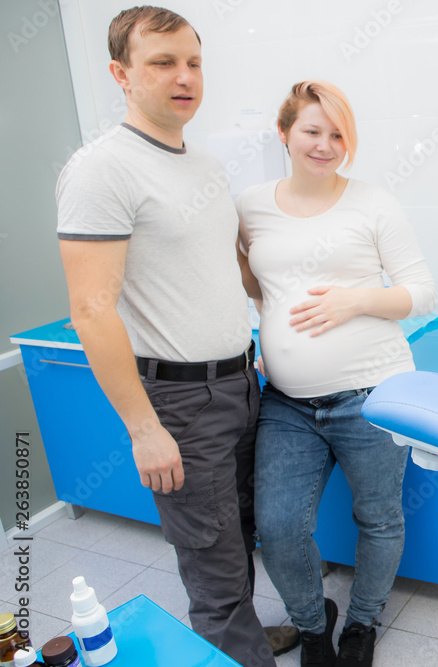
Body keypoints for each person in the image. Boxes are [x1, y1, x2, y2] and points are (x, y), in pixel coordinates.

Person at [55, 7, 276, 667]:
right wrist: (143, 427)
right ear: (122, 75)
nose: (184, 77)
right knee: (211, 561)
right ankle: (238, 651)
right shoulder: (102, 170)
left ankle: (241, 644)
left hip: (242, 382)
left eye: (193, 62)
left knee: (239, 537)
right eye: (162, 63)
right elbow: (92, 310)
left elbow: (214, 270)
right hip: (180, 403)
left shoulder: (205, 164)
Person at [237, 80, 435, 667]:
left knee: (378, 517)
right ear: (284, 132)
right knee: (275, 525)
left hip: (372, 395)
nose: (325, 145)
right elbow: (259, 287)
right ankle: (311, 622)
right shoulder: (249, 204)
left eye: (338, 135)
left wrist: (355, 301)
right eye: (312, 131)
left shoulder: (373, 202)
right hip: (287, 402)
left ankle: (362, 623)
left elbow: (421, 292)